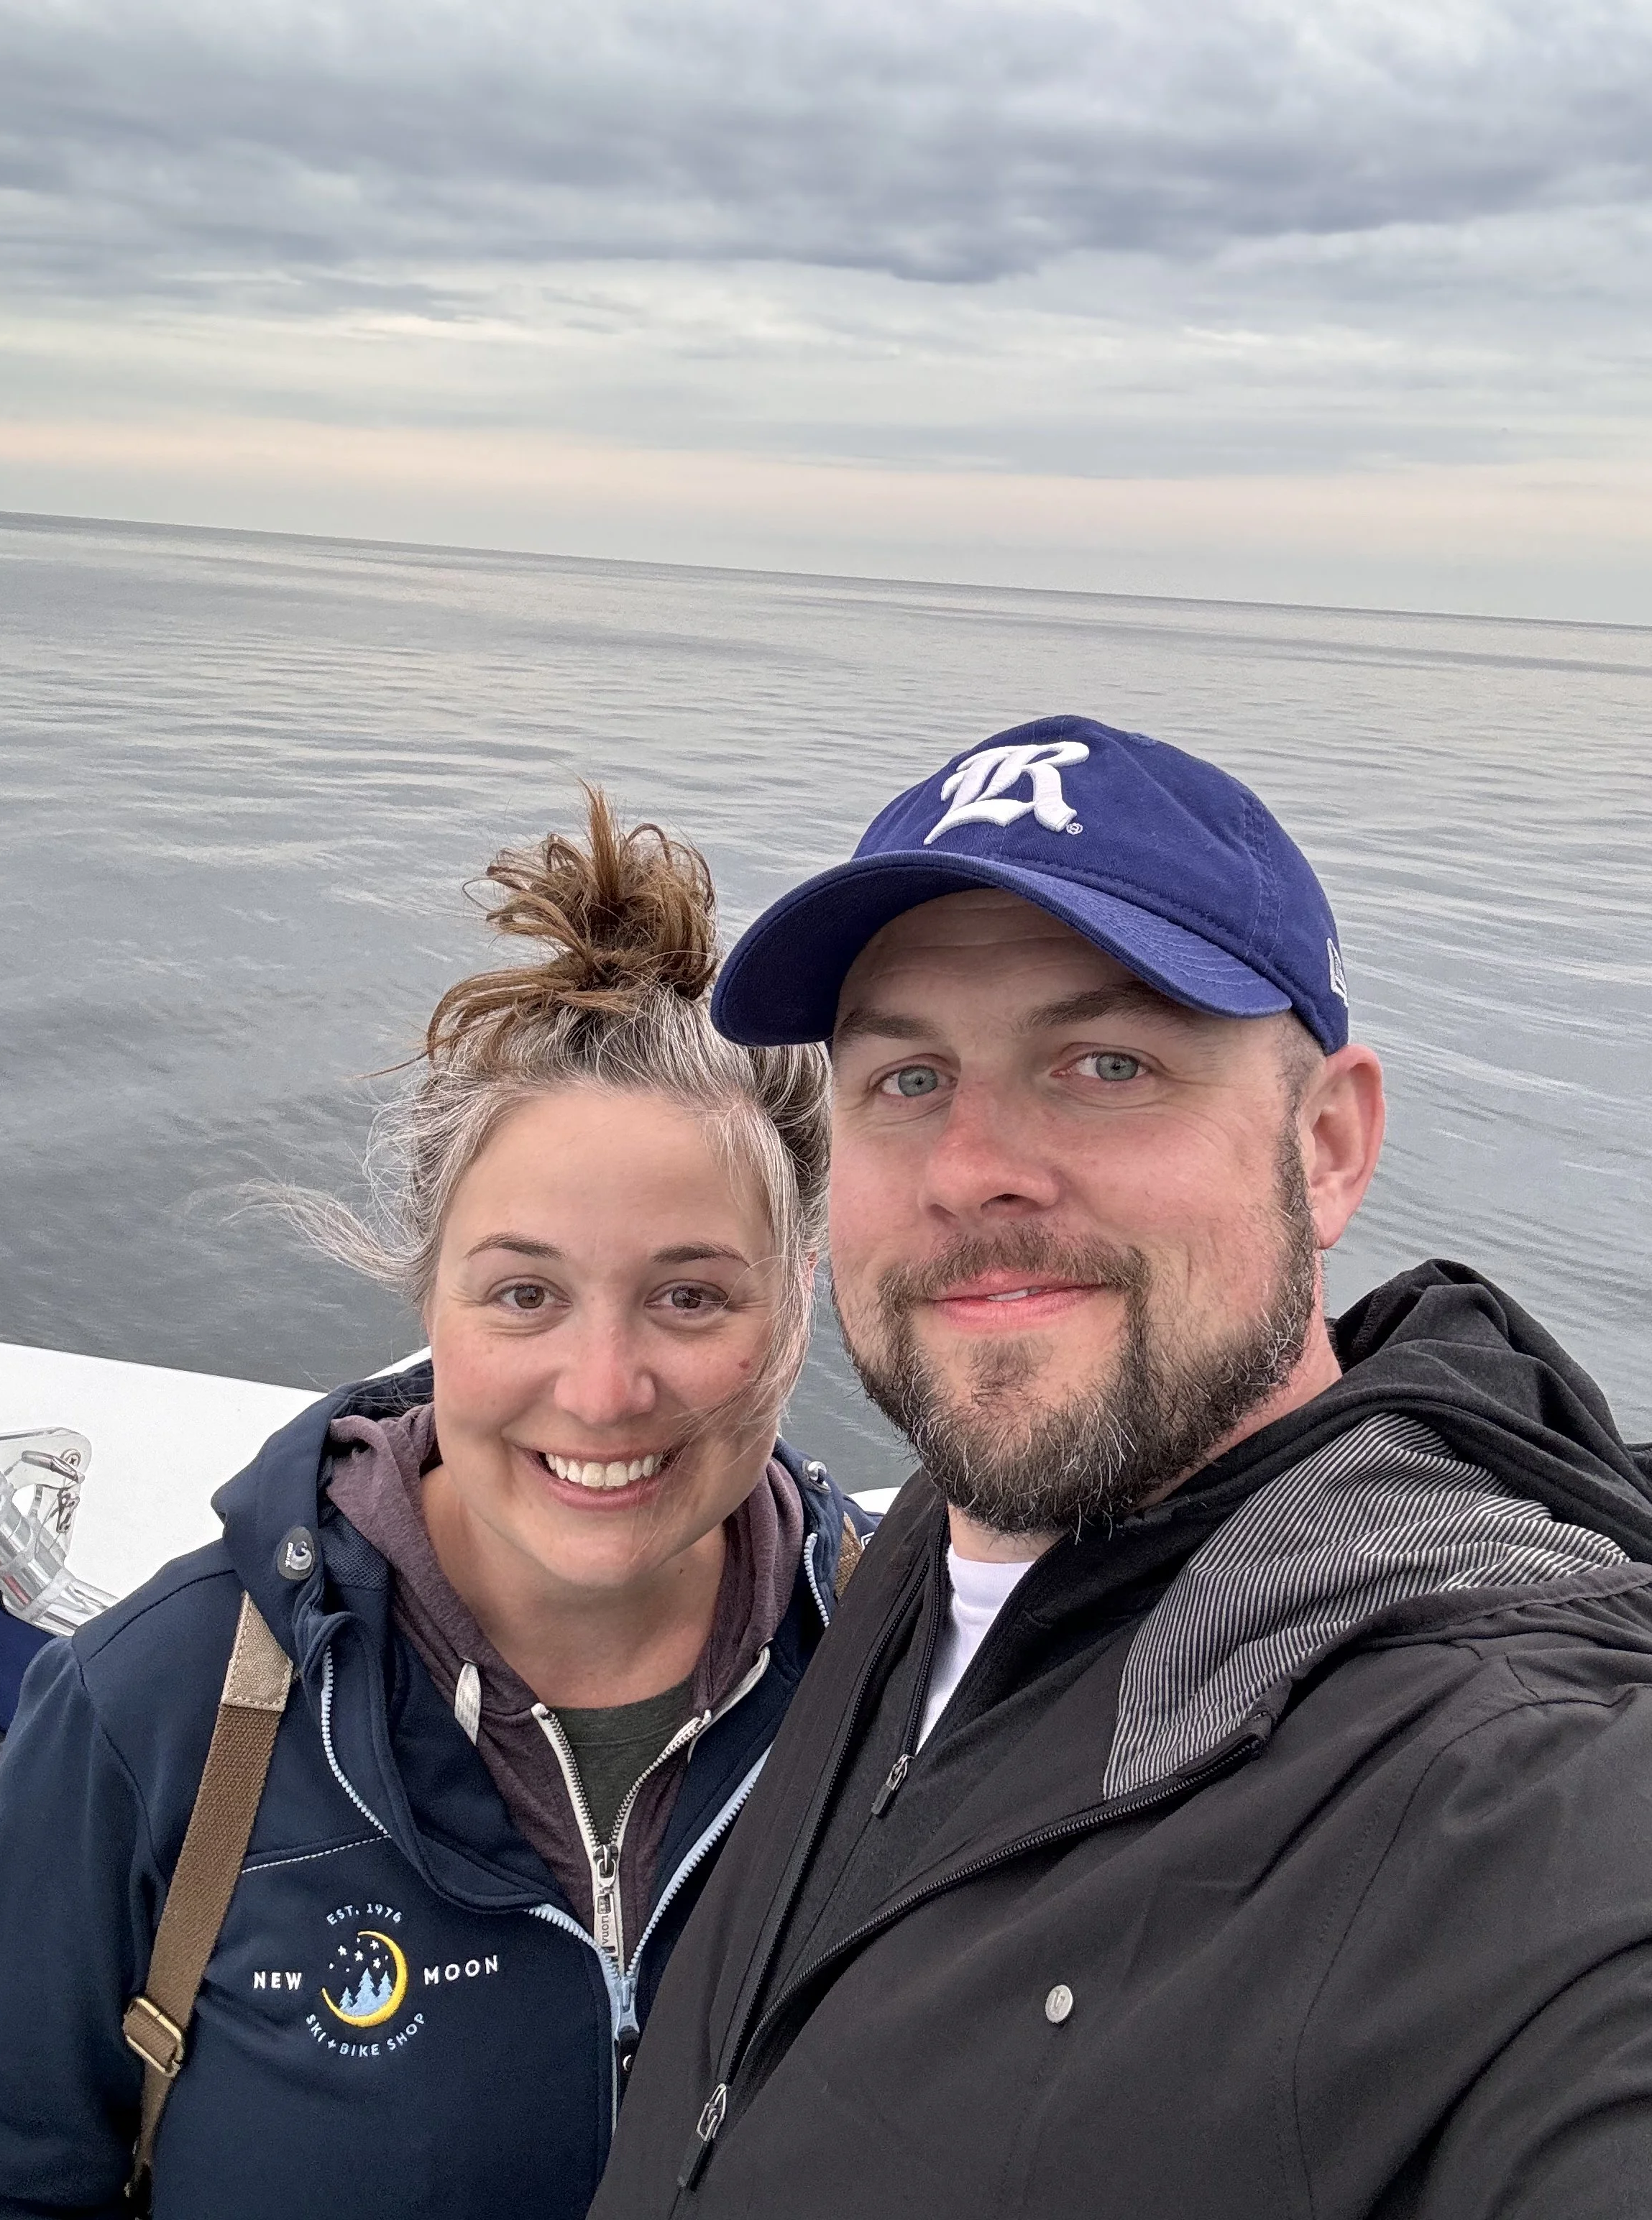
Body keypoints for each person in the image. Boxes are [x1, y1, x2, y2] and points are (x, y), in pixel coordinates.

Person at [592, 714, 1652, 2220]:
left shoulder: (1507, 1805)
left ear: (1330, 1144)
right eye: (908, 1078)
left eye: (1107, 1061)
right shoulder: (951, 1537)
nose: (976, 1166)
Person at [0, 793, 869, 2220]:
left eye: (691, 1294)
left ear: (801, 1296)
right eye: (526, 1291)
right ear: (428, 1290)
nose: (601, 1388)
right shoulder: (154, 1712)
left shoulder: (913, 1681)